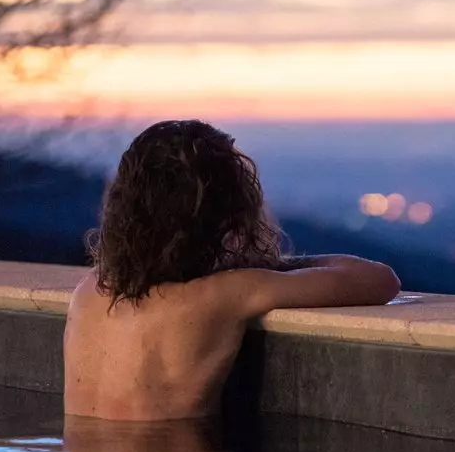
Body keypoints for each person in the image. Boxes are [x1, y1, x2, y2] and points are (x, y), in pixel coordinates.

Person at [65, 119, 401, 421]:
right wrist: (276, 267)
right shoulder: (225, 293)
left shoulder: (89, 292)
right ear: (224, 212)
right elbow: (380, 280)